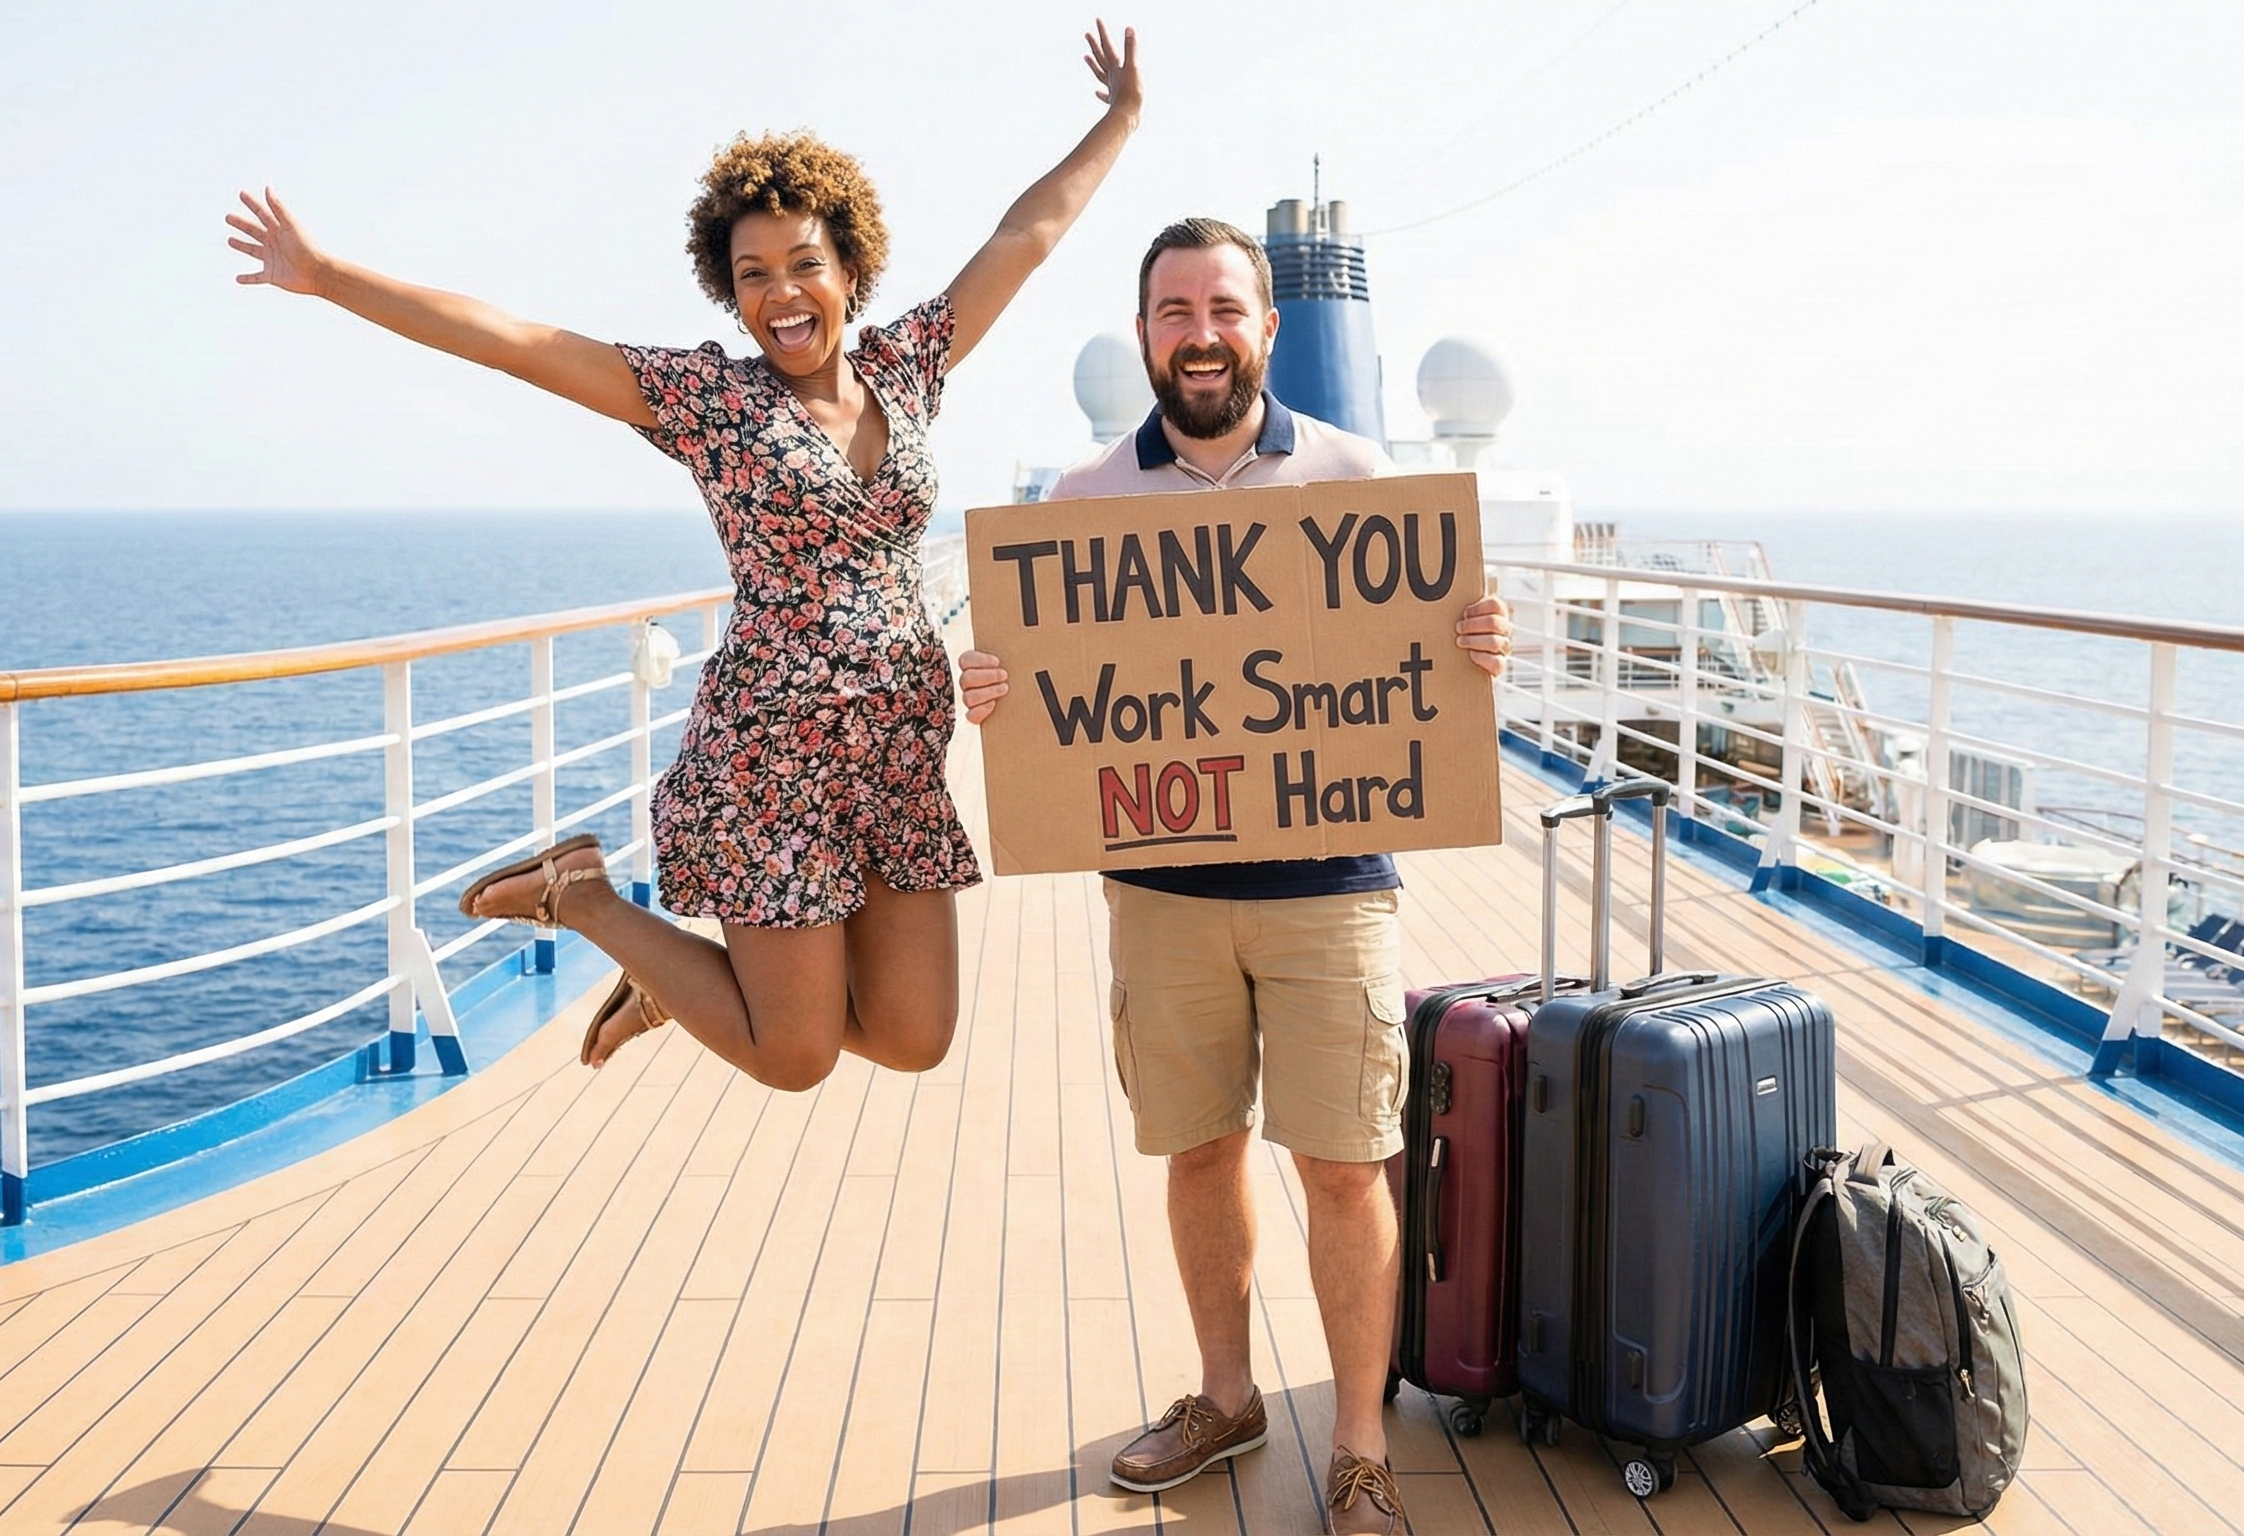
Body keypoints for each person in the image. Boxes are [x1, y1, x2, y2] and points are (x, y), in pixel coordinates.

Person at [228, 24, 1143, 1090]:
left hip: (895, 753)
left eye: (806, 263)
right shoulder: (710, 402)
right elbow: (517, 341)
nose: (782, 293)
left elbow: (1023, 237)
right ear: (731, 291)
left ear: (851, 267)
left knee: (912, 1036)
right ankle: (585, 898)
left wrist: (1119, 117)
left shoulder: (909, 369)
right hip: (771, 764)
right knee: (794, 1055)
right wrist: (329, 274)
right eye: (753, 275)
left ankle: (684, 983)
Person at [956, 217, 1512, 1536]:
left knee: (1344, 1166)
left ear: (1267, 328)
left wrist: (1476, 639)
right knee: (1197, 1152)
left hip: (1333, 886)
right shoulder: (1081, 505)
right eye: (1172, 311)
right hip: (1164, 893)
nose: (1199, 333)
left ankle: (1363, 1441)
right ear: (1145, 331)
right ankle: (1225, 1395)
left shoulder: (1355, 471)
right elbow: (1041, 688)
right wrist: (992, 687)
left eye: (1223, 309)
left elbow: (1424, 652)